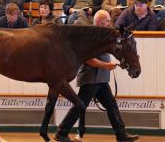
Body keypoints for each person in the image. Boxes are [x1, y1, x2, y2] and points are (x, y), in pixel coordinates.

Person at [54, 10, 139, 142]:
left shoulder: (103, 36)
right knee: (80, 105)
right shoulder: (91, 36)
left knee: (111, 106)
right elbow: (88, 59)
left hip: (100, 79)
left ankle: (121, 134)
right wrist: (106, 66)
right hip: (91, 78)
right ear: (100, 22)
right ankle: (61, 133)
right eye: (107, 20)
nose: (110, 23)